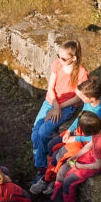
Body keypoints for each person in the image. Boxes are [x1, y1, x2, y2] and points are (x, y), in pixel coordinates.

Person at [32, 77, 101, 193]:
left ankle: (49, 179)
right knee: (51, 145)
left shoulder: (99, 113)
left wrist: (75, 138)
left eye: (82, 97)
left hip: (87, 139)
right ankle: (49, 176)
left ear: (92, 98)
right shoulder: (89, 103)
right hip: (81, 131)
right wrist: (69, 130)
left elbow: (94, 137)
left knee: (60, 156)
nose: (80, 99)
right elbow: (81, 116)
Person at [30, 40, 90, 173]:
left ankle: (41, 166)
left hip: (67, 106)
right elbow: (50, 87)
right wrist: (55, 105)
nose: (59, 59)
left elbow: (77, 97)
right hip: (51, 101)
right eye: (58, 56)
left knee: (43, 132)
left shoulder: (81, 73)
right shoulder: (57, 64)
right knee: (35, 134)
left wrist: (60, 106)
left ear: (73, 58)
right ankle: (42, 153)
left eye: (63, 58)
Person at [47, 111, 101, 202]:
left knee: (68, 181)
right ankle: (57, 199)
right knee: (63, 169)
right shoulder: (100, 128)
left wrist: (78, 166)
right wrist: (77, 155)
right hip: (93, 156)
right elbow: (90, 144)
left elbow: (97, 165)